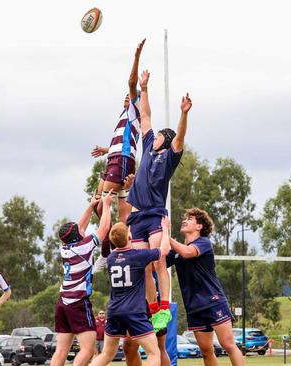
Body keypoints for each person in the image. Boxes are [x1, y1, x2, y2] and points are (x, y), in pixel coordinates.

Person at [126, 68, 193, 331]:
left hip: (154, 213)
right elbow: (145, 114)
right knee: (142, 265)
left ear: (164, 140)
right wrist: (144, 87)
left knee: (158, 260)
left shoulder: (169, 158)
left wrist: (184, 113)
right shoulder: (147, 145)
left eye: (159, 136)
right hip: (137, 216)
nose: (154, 136)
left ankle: (164, 308)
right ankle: (153, 310)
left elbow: (180, 137)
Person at [167, 208, 244, 366]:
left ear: (199, 226)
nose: (184, 220)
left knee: (228, 345)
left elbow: (187, 252)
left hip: (213, 301)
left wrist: (166, 237)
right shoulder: (175, 252)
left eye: (190, 218)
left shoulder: (203, 243)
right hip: (194, 307)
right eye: (185, 217)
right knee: (206, 351)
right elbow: (158, 262)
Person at [90, 217, 171, 366]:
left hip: (114, 311)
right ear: (129, 236)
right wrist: (165, 228)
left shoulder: (111, 258)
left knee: (106, 353)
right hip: (134, 311)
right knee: (154, 353)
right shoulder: (138, 256)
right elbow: (164, 250)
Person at [49, 192, 113, 366]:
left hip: (62, 301)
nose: (82, 228)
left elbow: (79, 227)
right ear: (78, 236)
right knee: (88, 348)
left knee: (61, 350)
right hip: (77, 302)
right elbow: (104, 228)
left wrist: (91, 206)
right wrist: (106, 205)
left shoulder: (65, 248)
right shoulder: (84, 247)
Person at [91, 39, 145, 224]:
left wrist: (136, 57)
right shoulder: (127, 116)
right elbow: (125, 142)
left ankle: (107, 249)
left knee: (100, 205)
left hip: (120, 159)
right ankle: (120, 245)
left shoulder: (134, 108)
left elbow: (131, 83)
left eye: (129, 96)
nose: (126, 96)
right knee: (122, 217)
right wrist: (107, 149)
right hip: (118, 158)